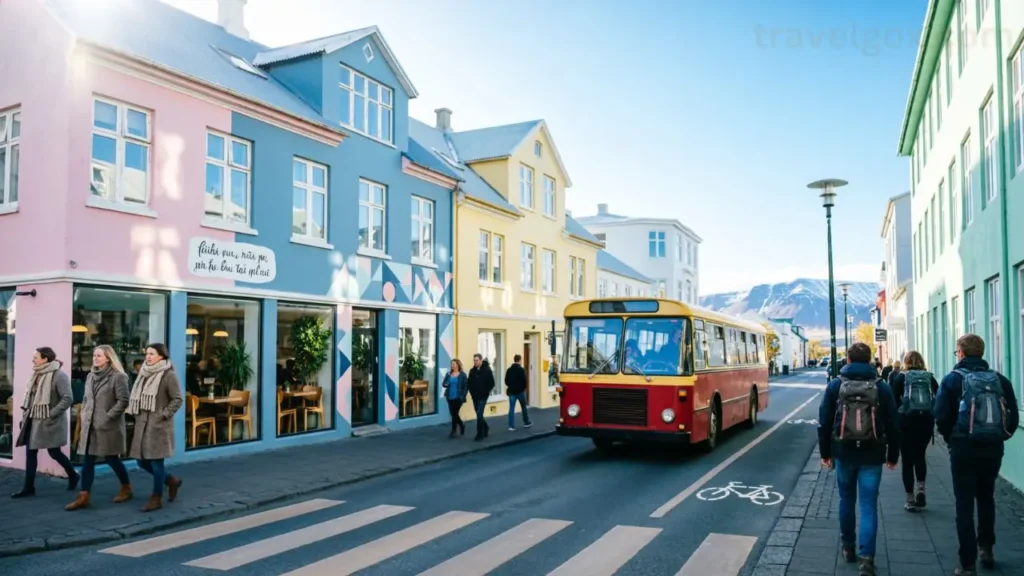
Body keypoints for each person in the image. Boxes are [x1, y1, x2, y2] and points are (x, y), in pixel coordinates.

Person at [934, 334, 1018, 575]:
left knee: (963, 503)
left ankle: (967, 563)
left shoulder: (952, 380)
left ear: (961, 353)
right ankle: (987, 549)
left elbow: (940, 414)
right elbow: (1012, 416)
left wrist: (952, 438)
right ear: (981, 353)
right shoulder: (1000, 380)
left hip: (963, 449)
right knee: (986, 497)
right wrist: (1000, 436)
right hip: (992, 449)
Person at [818, 342, 900, 576]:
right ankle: (867, 559)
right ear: (870, 359)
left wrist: (826, 453)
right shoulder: (881, 387)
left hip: (843, 451)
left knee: (846, 500)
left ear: (849, 360)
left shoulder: (835, 385)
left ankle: (847, 547)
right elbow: (894, 424)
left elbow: (824, 422)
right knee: (868, 504)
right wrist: (893, 454)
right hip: (873, 453)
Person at [66, 345, 133, 511]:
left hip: (108, 426)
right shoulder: (90, 376)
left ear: (108, 358)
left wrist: (107, 416)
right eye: (94, 355)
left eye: (99, 356)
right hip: (90, 425)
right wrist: (85, 414)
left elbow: (123, 401)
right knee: (88, 460)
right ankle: (84, 495)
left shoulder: (118, 377)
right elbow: (87, 398)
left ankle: (126, 487)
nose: (95, 358)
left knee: (112, 459)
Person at [12, 347, 79, 498]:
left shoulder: (59, 375)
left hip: (50, 422)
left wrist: (50, 414)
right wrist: (25, 418)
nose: (33, 360)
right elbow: (31, 399)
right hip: (33, 420)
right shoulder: (36, 374)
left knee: (54, 452)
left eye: (35, 357)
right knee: (30, 453)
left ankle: (73, 475)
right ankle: (28, 488)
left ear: (45, 359)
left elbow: (68, 398)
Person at [126, 343, 183, 512]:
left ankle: (156, 498)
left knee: (157, 463)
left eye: (152, 353)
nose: (148, 356)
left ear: (161, 356)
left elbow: (177, 399)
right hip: (142, 424)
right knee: (141, 461)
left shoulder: (168, 375)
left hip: (158, 426)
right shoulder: (143, 373)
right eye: (147, 353)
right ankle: (171, 480)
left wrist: (163, 415)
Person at [889, 351, 938, 512]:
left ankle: (910, 499)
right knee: (920, 455)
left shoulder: (901, 378)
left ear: (906, 362)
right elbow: (938, 397)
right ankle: (921, 488)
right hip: (925, 423)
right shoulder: (929, 378)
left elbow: (893, 400)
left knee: (907, 461)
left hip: (906, 423)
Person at [467, 354, 495, 441]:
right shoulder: (472, 371)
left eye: (477, 360)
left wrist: (485, 392)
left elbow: (492, 383)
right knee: (479, 414)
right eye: (474, 360)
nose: (475, 362)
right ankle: (486, 427)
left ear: (481, 360)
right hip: (475, 396)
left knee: (479, 413)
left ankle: (480, 433)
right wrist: (472, 393)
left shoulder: (487, 370)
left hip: (483, 396)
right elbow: (469, 383)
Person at [441, 359, 468, 438]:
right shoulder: (449, 374)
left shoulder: (462, 375)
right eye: (451, 364)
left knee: (454, 414)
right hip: (449, 397)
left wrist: (463, 396)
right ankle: (462, 425)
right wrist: (446, 384)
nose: (452, 365)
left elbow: (466, 386)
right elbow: (444, 383)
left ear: (457, 365)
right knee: (453, 414)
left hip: (458, 397)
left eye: (453, 364)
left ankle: (453, 430)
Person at [505, 354, 532, 431]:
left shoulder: (509, 370)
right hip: (520, 392)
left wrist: (511, 386)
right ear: (520, 360)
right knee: (523, 407)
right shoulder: (521, 370)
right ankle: (526, 422)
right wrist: (523, 388)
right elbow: (524, 381)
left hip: (511, 392)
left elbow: (506, 381)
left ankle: (511, 426)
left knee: (511, 408)